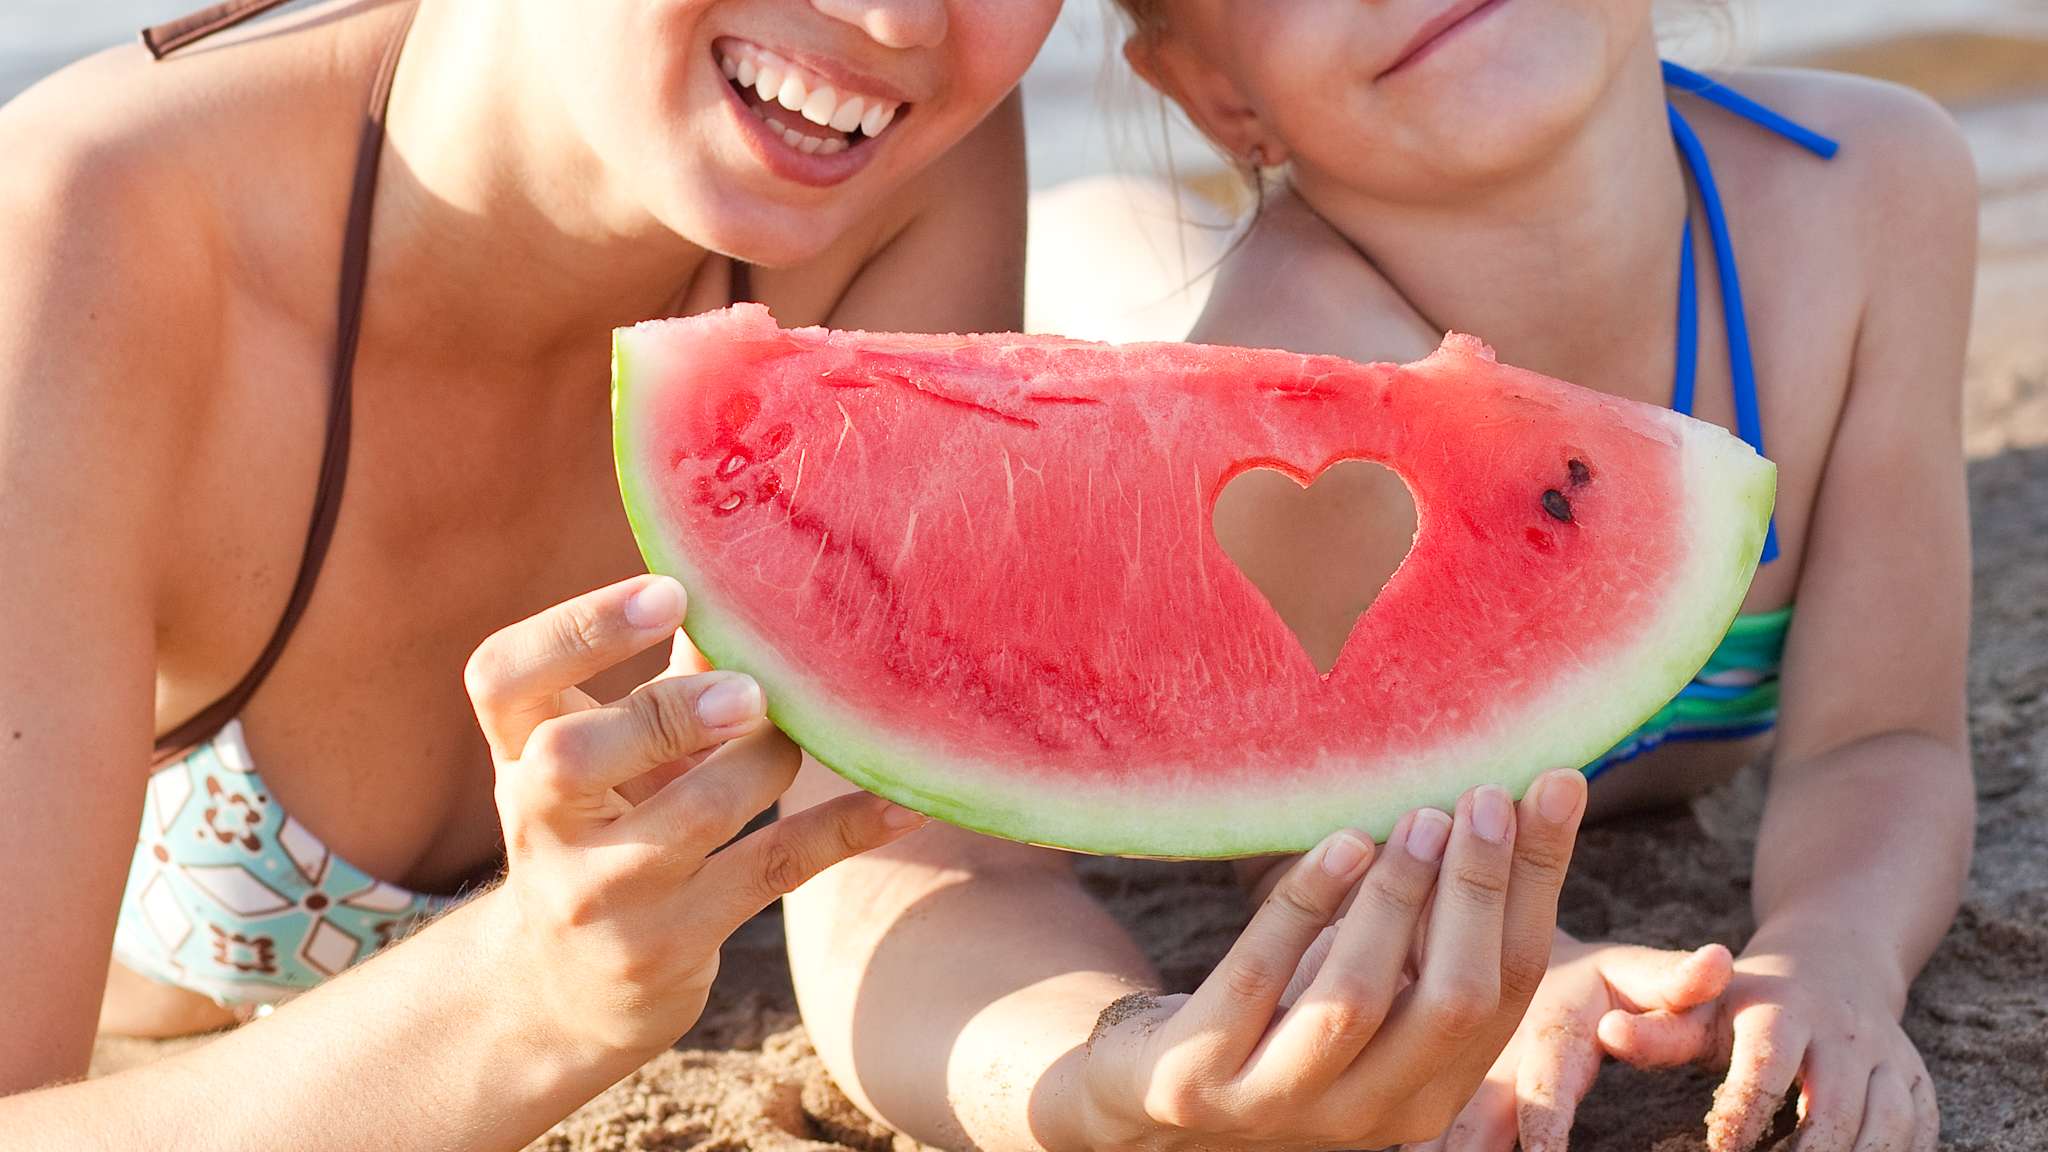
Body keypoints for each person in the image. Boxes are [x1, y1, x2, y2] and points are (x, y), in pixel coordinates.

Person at [0, 0, 1062, 1144]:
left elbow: (921, 868)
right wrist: (527, 997)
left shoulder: (891, 167)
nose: (898, 20)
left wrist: (1127, 1061)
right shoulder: (73, 239)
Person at [1075, 2, 1965, 1150]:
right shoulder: (1273, 397)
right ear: (1216, 96)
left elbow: (1883, 740)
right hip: (1144, 350)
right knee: (1102, 266)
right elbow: (1298, 840)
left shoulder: (1874, 185)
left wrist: (1835, 953)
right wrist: (1530, 967)